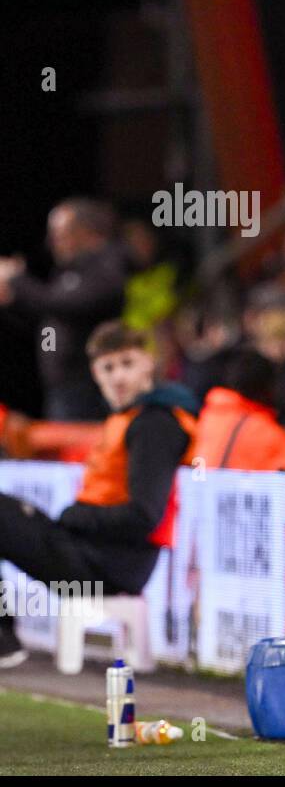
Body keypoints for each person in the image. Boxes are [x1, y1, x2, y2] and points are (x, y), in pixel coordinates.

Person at [0, 321, 198, 667]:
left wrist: (76, 516)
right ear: (95, 372)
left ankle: (3, 638)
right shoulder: (133, 417)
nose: (118, 376)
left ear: (149, 363)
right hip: (94, 553)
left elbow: (143, 516)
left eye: (127, 364)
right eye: (109, 367)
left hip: (109, 564)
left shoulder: (155, 423)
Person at [0, 199, 126, 420]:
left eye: (62, 234)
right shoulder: (67, 272)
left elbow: (62, 305)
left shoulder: (105, 267)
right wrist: (11, 299)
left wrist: (17, 280)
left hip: (86, 389)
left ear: (86, 232)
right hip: (60, 389)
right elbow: (46, 316)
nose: (54, 242)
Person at [192, 349, 285, 473]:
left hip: (200, 491)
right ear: (267, 388)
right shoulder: (259, 429)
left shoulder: (209, 417)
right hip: (232, 491)